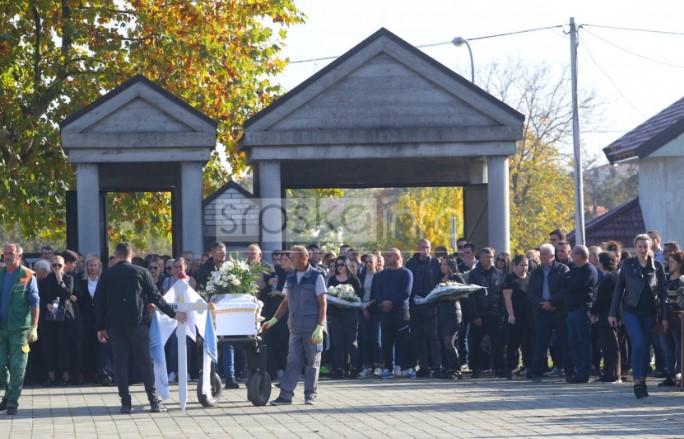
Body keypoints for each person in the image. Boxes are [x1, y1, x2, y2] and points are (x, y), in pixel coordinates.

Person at [94, 242, 186, 413]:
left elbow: (99, 302)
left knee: (120, 364)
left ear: (116, 254)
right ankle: (153, 401)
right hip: (137, 324)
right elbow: (156, 297)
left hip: (115, 325)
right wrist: (174, 315)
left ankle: (125, 403)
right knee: (145, 363)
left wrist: (100, 327)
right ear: (132, 254)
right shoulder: (142, 272)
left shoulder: (107, 275)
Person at [263, 245, 327, 406]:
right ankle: (285, 395)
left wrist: (320, 326)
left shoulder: (316, 276)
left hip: (312, 328)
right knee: (292, 361)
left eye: (293, 257)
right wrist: (273, 320)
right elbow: (285, 302)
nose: (290, 259)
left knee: (313, 363)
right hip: (295, 327)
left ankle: (310, 395)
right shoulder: (290, 276)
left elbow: (323, 303)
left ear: (303, 258)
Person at [609, 234, 669, 399]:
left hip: (650, 313)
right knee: (638, 344)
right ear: (635, 248)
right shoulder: (628, 265)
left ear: (650, 248)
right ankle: (637, 381)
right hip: (631, 311)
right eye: (640, 246)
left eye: (645, 246)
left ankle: (642, 380)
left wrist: (664, 317)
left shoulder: (657, 266)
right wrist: (612, 313)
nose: (643, 249)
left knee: (645, 347)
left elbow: (663, 294)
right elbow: (618, 290)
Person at [0, 243, 39, 416]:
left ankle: (12, 403)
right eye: (5, 253)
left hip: (20, 329)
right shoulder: (0, 274)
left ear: (19, 256)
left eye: (10, 253)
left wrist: (34, 327)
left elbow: (35, 303)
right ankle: (8, 394)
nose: (6, 256)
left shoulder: (27, 275)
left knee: (18, 367)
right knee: (1, 365)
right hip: (1, 328)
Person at [197, 242, 239, 389]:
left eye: (224, 253)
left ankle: (230, 377)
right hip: (210, 310)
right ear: (212, 253)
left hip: (227, 310)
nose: (222, 255)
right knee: (211, 342)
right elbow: (201, 289)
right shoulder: (204, 269)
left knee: (228, 343)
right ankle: (213, 376)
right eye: (219, 252)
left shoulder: (231, 269)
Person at [528, 243, 570, 381]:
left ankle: (569, 371)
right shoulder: (536, 272)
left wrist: (552, 302)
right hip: (542, 312)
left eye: (545, 255)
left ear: (553, 256)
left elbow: (565, 290)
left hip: (559, 311)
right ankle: (536, 372)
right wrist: (542, 303)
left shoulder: (563, 269)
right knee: (540, 343)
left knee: (564, 342)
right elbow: (531, 293)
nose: (542, 257)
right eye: (541, 254)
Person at [465, 247, 505, 378]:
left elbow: (502, 296)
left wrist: (502, 313)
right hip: (479, 314)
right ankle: (476, 368)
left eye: (491, 257)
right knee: (475, 343)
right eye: (486, 257)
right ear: (480, 258)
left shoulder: (499, 274)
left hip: (495, 314)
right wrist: (474, 315)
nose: (489, 260)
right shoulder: (474, 274)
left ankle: (499, 369)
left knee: (497, 343)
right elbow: (471, 296)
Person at [560, 246, 597, 384]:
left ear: (580, 255)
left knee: (583, 342)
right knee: (573, 342)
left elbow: (574, 284)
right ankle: (576, 369)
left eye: (574, 253)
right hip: (571, 310)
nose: (571, 256)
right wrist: (568, 280)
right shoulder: (574, 269)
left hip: (582, 310)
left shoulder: (589, 270)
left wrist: (568, 281)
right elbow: (564, 282)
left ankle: (583, 372)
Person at [406, 239, 442, 377]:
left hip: (431, 305)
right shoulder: (410, 263)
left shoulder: (435, 263)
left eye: (427, 247)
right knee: (418, 337)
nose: (425, 250)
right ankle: (424, 366)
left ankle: (437, 366)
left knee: (433, 337)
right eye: (422, 247)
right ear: (417, 248)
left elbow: (439, 282)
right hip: (415, 305)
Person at [375, 249, 414, 379]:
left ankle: (402, 367)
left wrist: (391, 302)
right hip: (385, 314)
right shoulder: (382, 274)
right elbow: (378, 291)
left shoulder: (406, 273)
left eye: (389, 255)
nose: (386, 258)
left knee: (403, 341)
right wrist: (382, 302)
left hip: (401, 313)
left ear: (397, 257)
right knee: (386, 341)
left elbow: (406, 292)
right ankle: (388, 367)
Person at [327, 256, 362, 378]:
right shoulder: (332, 280)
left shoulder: (353, 279)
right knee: (337, 342)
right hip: (335, 314)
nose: (339, 267)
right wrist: (336, 303)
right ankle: (339, 368)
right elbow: (328, 295)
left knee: (351, 342)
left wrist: (348, 302)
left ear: (346, 265)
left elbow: (359, 297)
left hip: (350, 314)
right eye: (337, 265)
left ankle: (354, 368)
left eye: (341, 264)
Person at [261, 251, 292, 380]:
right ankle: (275, 370)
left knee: (285, 342)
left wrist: (279, 293)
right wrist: (268, 285)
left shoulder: (294, 274)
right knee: (272, 341)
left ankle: (286, 370)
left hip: (287, 314)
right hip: (272, 312)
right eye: (280, 260)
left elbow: (291, 294)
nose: (281, 262)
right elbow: (268, 290)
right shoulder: (276, 272)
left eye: (285, 259)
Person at [591, 252, 621, 383]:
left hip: (608, 315)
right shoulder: (612, 277)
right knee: (608, 345)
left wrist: (593, 311)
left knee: (610, 345)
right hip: (608, 314)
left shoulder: (610, 278)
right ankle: (610, 372)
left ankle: (612, 373)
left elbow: (603, 299)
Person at [502, 255, 532, 379]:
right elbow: (507, 298)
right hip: (514, 316)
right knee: (513, 344)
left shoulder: (530, 278)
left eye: (526, 265)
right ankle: (510, 368)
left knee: (528, 343)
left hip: (528, 316)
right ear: (514, 266)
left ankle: (528, 367)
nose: (524, 268)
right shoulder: (510, 279)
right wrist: (511, 314)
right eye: (521, 265)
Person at [75, 255, 103, 383]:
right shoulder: (81, 280)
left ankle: (99, 372)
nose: (93, 268)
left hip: (99, 317)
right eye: (90, 265)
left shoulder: (103, 280)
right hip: (85, 317)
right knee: (86, 345)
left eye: (95, 265)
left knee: (99, 346)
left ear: (99, 267)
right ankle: (87, 373)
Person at [437, 256, 465, 379]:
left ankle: (456, 368)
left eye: (444, 264)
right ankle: (447, 367)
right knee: (444, 341)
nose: (441, 267)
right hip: (442, 313)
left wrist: (451, 296)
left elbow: (464, 292)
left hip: (453, 313)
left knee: (449, 341)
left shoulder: (456, 277)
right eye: (441, 264)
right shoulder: (440, 279)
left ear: (449, 266)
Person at [358, 254, 381, 378]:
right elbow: (357, 292)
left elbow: (379, 295)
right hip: (362, 309)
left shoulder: (380, 276)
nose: (368, 264)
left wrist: (368, 306)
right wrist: (363, 307)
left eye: (371, 262)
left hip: (375, 310)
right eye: (366, 262)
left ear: (376, 263)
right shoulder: (361, 276)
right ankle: (366, 366)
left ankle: (377, 365)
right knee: (364, 338)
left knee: (375, 339)